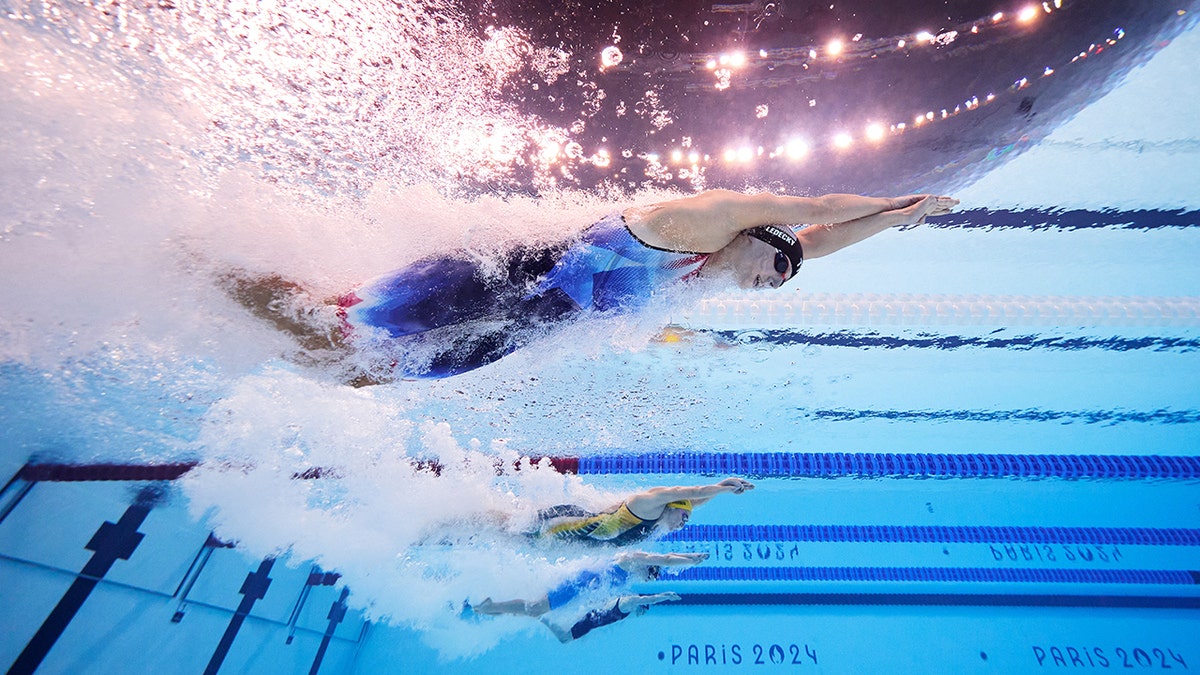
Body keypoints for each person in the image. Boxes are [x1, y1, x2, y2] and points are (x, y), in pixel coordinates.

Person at [222, 191, 958, 381]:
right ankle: (209, 266)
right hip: (505, 278)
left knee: (373, 374)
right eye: (776, 268)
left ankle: (238, 326)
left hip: (526, 325)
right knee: (345, 324)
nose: (773, 285)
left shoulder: (710, 275)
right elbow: (820, 215)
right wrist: (902, 195)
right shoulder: (705, 221)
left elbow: (821, 241)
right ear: (754, 234)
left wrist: (898, 222)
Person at [467, 551, 701, 642]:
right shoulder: (631, 560)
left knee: (536, 608)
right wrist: (689, 559)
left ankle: (493, 608)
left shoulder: (629, 576)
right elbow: (667, 558)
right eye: (652, 575)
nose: (650, 580)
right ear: (649, 567)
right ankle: (491, 607)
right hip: (577, 585)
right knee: (536, 607)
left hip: (579, 589)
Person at [532, 477, 754, 546]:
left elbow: (696, 500)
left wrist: (724, 483)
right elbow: (687, 491)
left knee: (518, 536)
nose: (682, 525)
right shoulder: (644, 506)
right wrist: (723, 489)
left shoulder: (661, 516)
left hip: (575, 534)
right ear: (673, 505)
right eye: (684, 518)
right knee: (515, 527)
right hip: (564, 522)